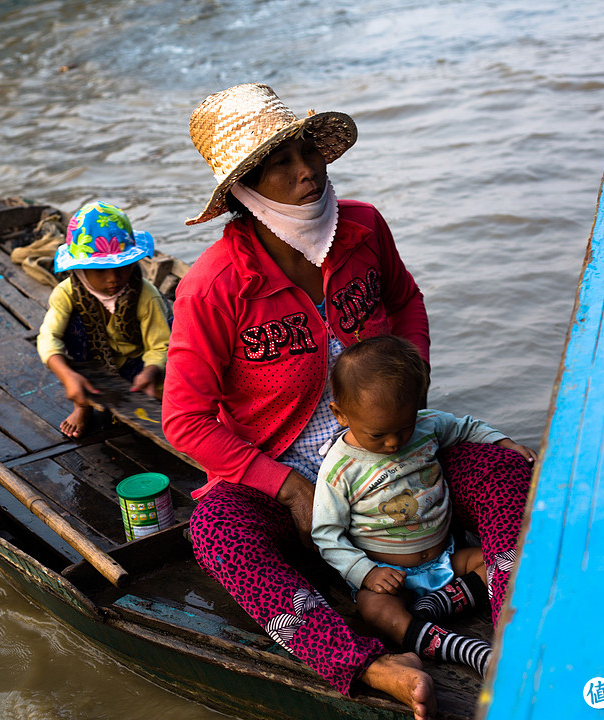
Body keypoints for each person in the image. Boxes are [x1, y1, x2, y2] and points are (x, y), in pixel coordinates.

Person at [163, 82, 438, 718]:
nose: (306, 171)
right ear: (246, 188)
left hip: (383, 445)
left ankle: (515, 587)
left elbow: (406, 303)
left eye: (306, 151)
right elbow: (185, 419)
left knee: (501, 462)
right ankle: (365, 663)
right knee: (216, 533)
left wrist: (411, 380)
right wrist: (285, 486)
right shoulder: (213, 287)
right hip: (286, 477)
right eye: (279, 164)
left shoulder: (364, 228)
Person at [312, 335, 537, 678]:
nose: (393, 442)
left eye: (403, 428)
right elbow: (327, 535)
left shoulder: (425, 426)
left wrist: (503, 442)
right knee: (375, 613)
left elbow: (467, 427)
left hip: (449, 557)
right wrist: (366, 573)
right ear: (340, 414)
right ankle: (453, 646)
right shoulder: (340, 468)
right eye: (378, 435)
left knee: (506, 561)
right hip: (387, 574)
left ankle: (448, 599)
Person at [37, 201, 171, 437]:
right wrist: (67, 375)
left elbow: (160, 344)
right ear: (81, 269)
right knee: (70, 328)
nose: (113, 278)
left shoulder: (145, 294)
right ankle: (83, 405)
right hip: (92, 364)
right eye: (100, 269)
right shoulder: (67, 293)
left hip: (136, 363)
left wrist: (151, 370)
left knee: (175, 377)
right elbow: (49, 337)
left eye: (123, 266)